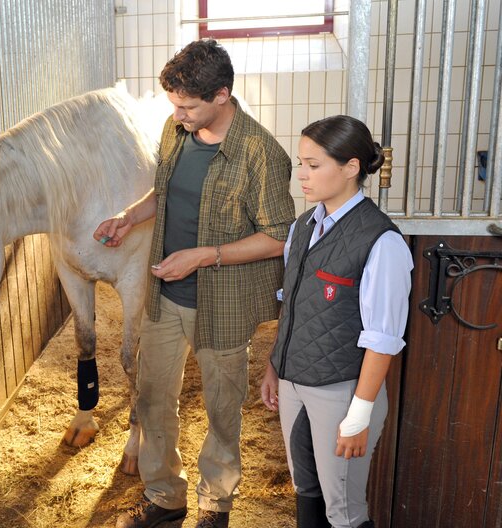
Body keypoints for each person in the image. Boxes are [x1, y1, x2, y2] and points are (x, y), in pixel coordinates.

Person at [95, 39, 296, 528]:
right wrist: (130, 215)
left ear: (222, 95)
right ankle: (165, 497)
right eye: (175, 104)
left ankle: (215, 504)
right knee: (152, 397)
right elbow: (162, 191)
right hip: (165, 297)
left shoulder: (261, 153)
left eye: (188, 105)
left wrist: (205, 257)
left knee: (223, 407)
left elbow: (278, 236)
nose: (178, 113)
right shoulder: (175, 130)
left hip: (223, 304)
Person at [260, 115, 413, 528]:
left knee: (343, 508)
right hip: (294, 384)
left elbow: (383, 338)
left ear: (350, 167)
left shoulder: (382, 241)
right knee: (305, 489)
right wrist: (276, 367)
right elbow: (292, 303)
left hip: (341, 391)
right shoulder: (302, 227)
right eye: (300, 164)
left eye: (314, 165)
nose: (302, 176)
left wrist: (359, 414)